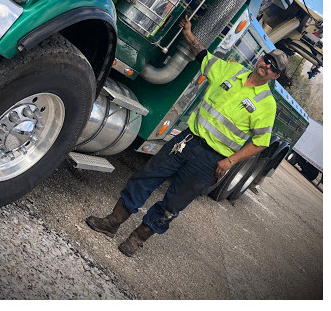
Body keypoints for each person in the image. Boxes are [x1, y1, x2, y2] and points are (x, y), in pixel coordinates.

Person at [86, 15, 289, 257]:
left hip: (211, 161)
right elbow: (204, 57)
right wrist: (190, 34)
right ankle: (112, 223)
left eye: (273, 68)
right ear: (261, 58)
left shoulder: (266, 105)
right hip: (187, 140)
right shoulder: (231, 71)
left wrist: (229, 161)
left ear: (275, 76)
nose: (267, 66)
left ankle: (137, 239)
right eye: (267, 60)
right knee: (146, 178)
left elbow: (260, 143)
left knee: (173, 203)